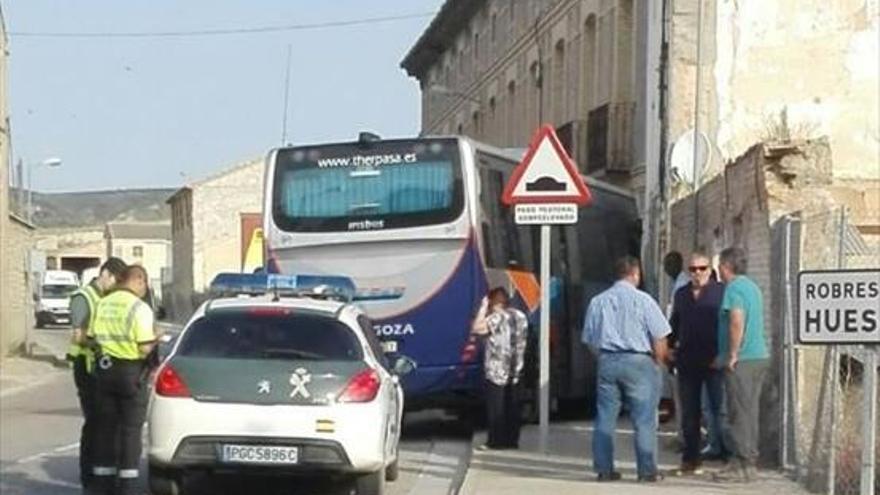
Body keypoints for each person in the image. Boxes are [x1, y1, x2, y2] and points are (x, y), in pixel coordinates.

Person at [582, 256, 671, 483]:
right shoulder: (644, 301)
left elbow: (589, 340)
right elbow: (660, 336)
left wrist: (603, 358)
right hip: (638, 362)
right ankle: (646, 471)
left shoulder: (597, 302)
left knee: (605, 416)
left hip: (608, 361)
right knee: (644, 418)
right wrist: (658, 362)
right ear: (635, 274)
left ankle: (604, 469)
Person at [87, 265, 158, 495]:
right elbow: (145, 348)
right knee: (130, 430)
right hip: (131, 373)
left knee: (104, 428)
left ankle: (102, 485)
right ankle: (127, 485)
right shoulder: (140, 308)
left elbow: (89, 339)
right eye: (144, 284)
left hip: (103, 371)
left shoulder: (102, 303)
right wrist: (156, 338)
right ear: (139, 280)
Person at [67, 257, 127, 491]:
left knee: (106, 423)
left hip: (100, 368)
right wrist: (99, 341)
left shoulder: (105, 299)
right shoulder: (83, 297)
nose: (115, 287)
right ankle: (88, 475)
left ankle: (101, 471)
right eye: (115, 281)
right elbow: (78, 335)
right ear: (106, 274)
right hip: (85, 366)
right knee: (93, 423)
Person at [712, 247, 769, 483]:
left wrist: (732, 353)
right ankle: (745, 459)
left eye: (719, 268)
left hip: (743, 359)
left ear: (726, 266)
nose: (719, 273)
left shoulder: (733, 288)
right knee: (749, 410)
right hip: (759, 356)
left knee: (738, 412)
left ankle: (742, 463)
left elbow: (736, 320)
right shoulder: (752, 287)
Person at [669, 251, 728, 475]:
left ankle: (726, 454)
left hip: (714, 360)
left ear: (710, 271)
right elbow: (675, 323)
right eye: (692, 269)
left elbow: (731, 322)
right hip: (688, 360)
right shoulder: (682, 294)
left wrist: (726, 354)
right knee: (690, 412)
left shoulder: (721, 292)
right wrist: (669, 347)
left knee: (719, 409)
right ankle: (691, 459)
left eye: (702, 268)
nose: (697, 273)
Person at [471, 287, 529, 450]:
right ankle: (512, 440)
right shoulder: (521, 316)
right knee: (513, 406)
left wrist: (482, 309)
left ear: (493, 302)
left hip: (497, 370)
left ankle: (496, 441)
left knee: (497, 408)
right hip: (516, 369)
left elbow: (477, 328)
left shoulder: (497, 318)